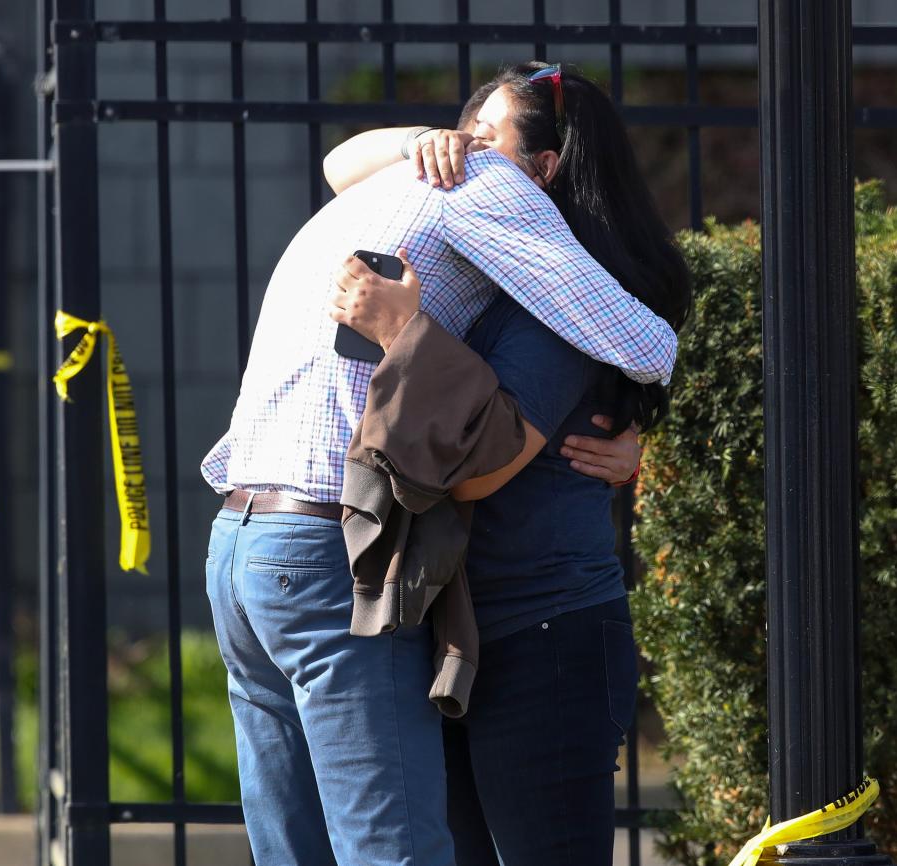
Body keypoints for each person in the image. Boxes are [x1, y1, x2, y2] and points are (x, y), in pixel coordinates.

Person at [201, 59, 677, 865]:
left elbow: (624, 345)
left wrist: (645, 436)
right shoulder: (482, 188)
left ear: (546, 168)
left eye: (481, 135)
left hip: (244, 545)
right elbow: (646, 343)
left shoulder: (404, 204)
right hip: (336, 554)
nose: (458, 147)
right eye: (458, 132)